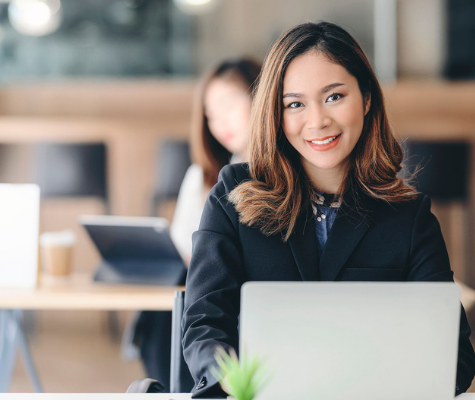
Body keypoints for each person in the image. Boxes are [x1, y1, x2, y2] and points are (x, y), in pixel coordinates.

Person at [182, 21, 475, 398]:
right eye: (295, 104)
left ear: (366, 98)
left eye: (334, 96)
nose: (317, 121)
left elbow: (455, 357)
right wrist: (232, 384)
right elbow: (205, 324)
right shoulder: (233, 196)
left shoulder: (408, 216)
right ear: (276, 113)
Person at [132, 58, 261, 392]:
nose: (220, 122)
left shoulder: (279, 175)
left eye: (229, 105)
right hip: (199, 286)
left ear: (262, 96)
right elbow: (181, 248)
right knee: (174, 288)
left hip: (239, 290)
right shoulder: (203, 176)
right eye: (211, 113)